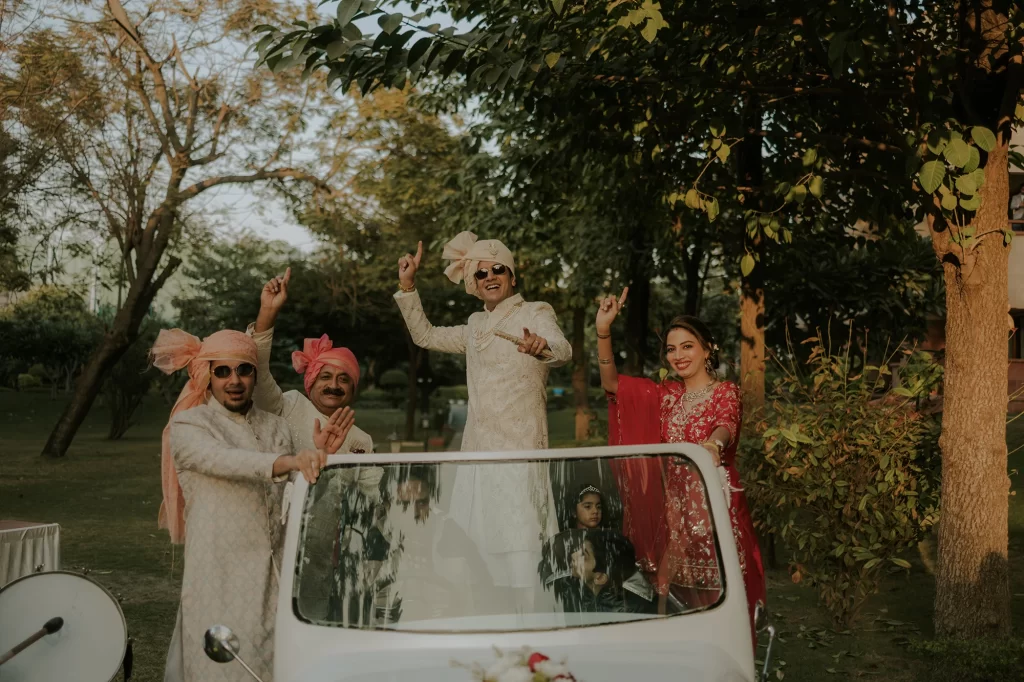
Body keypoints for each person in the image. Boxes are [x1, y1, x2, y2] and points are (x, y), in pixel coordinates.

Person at [152, 327, 353, 682]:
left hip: (273, 577)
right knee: (221, 669)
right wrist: (287, 462)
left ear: (255, 376)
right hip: (218, 576)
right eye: (223, 371)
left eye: (244, 370)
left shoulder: (277, 428)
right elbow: (224, 461)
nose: (235, 380)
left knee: (275, 669)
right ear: (207, 376)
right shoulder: (189, 424)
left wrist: (322, 457)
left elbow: (297, 489)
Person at [393, 232, 571, 600]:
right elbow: (425, 335)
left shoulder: (535, 312)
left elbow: (563, 350)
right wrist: (408, 287)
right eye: (481, 273)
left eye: (498, 269)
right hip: (478, 456)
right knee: (478, 561)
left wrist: (541, 347)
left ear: (512, 276)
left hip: (521, 458)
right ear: (473, 283)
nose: (490, 276)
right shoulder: (474, 326)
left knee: (523, 557)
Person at [595, 289, 766, 631]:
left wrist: (714, 447)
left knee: (721, 598)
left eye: (687, 345)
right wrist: (603, 329)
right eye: (671, 349)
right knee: (673, 605)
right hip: (671, 512)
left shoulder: (725, 391)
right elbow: (613, 384)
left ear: (708, 349)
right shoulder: (666, 395)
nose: (678, 355)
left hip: (713, 506)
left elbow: (725, 426)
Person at [249, 267, 374, 454]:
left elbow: (371, 484)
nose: (334, 385)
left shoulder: (362, 441)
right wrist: (268, 311)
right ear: (311, 382)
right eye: (325, 376)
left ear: (353, 389)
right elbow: (257, 370)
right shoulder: (286, 406)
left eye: (343, 379)